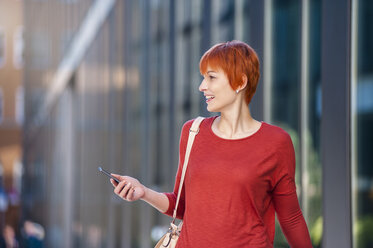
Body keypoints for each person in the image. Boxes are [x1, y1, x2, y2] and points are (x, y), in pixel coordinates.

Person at [111, 40, 313, 247]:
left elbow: (291, 218)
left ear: (240, 83)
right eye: (203, 77)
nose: (202, 86)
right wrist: (143, 192)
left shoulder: (276, 142)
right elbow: (181, 206)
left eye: (211, 77)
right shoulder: (193, 132)